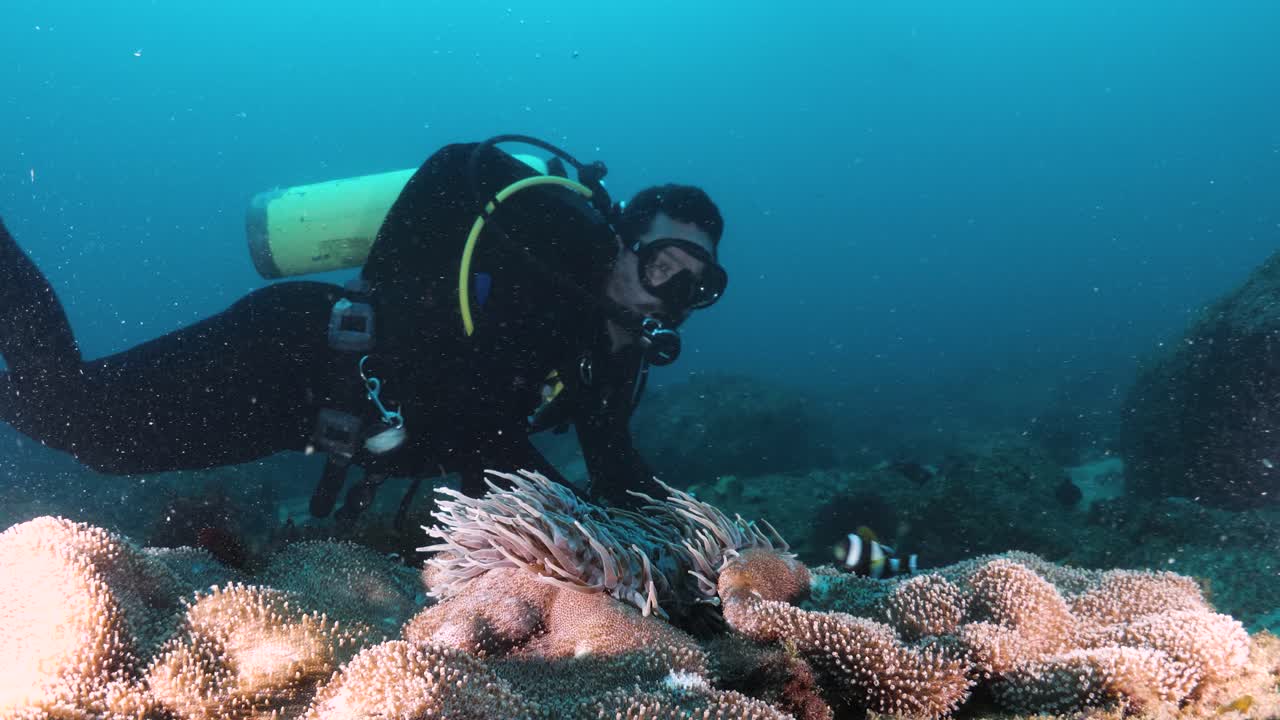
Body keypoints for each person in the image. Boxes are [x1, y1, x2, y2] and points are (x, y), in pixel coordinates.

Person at [0, 137, 727, 521]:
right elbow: (453, 167)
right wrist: (387, 291)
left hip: (314, 418)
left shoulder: (614, 357)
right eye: (667, 264)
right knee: (72, 412)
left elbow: (616, 470)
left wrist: (710, 558)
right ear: (621, 239)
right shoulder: (552, 253)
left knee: (100, 446)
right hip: (294, 347)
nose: (676, 293)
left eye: (700, 284)